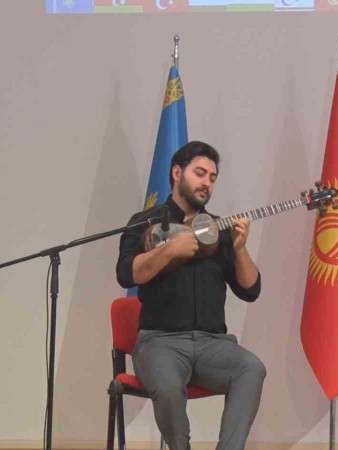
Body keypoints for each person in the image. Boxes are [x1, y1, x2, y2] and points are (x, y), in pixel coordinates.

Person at [116, 141, 266, 450]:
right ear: (176, 173)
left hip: (213, 343)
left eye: (212, 177)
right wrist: (170, 249)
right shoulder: (144, 222)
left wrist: (239, 249)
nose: (207, 182)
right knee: (169, 388)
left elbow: (251, 291)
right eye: (200, 173)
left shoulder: (218, 228)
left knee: (251, 369)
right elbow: (126, 274)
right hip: (160, 342)